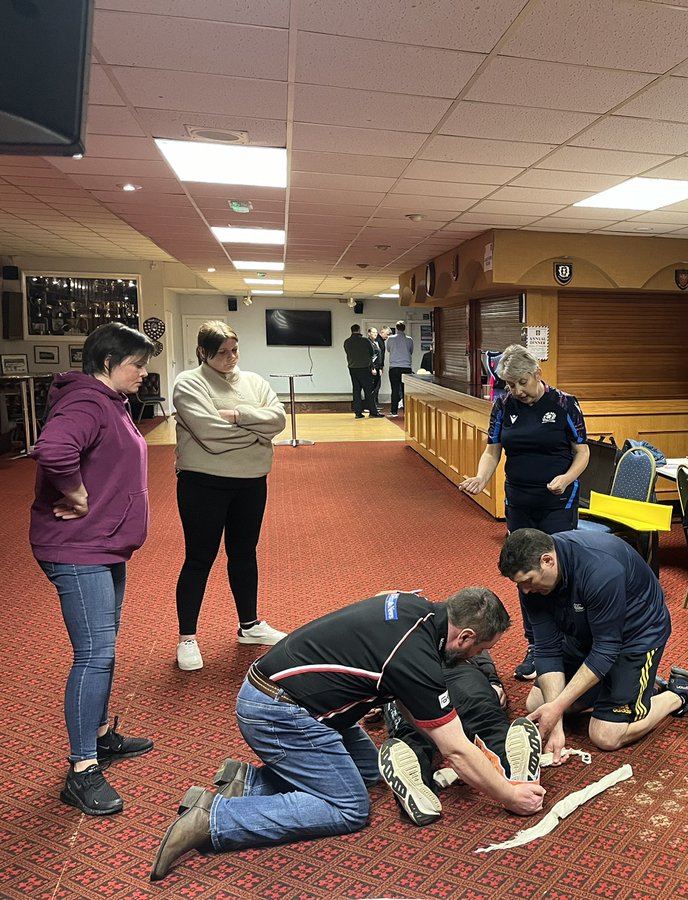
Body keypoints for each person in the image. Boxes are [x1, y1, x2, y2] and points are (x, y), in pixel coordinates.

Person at [149, 588, 544, 881]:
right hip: (278, 712)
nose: (476, 658)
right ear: (466, 637)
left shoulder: (416, 607)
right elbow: (454, 749)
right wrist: (508, 794)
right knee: (349, 808)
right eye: (480, 650)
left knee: (370, 772)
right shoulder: (417, 657)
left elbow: (414, 703)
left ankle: (246, 782)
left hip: (287, 695)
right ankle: (215, 819)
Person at [30, 322, 157, 815]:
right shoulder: (86, 401)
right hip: (76, 548)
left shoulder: (111, 401)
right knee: (94, 655)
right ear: (107, 363)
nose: (144, 373)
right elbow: (53, 449)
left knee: (103, 647)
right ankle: (82, 769)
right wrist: (76, 493)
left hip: (103, 545)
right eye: (137, 364)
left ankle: (101, 736)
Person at [498, 528, 688, 758]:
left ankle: (679, 693)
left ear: (547, 560)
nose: (524, 590)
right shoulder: (531, 587)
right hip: (587, 632)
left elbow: (606, 650)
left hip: (636, 636)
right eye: (519, 584)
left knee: (606, 736)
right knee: (537, 704)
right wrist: (555, 724)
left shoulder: (600, 571)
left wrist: (557, 707)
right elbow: (547, 649)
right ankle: (637, 684)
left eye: (528, 581)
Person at [460, 345, 590, 682]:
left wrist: (566, 478)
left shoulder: (564, 403)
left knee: (557, 572)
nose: (517, 391)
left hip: (558, 502)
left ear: (537, 374)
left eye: (522, 382)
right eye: (510, 384)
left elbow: (582, 452)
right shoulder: (504, 405)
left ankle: (568, 642)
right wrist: (481, 478)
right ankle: (537, 644)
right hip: (519, 502)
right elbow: (492, 451)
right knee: (526, 575)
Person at [172, 321, 289, 672]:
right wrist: (257, 435)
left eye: (234, 350)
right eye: (222, 352)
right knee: (199, 558)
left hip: (251, 482)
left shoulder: (254, 382)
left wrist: (238, 416)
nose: (231, 357)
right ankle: (187, 637)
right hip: (203, 483)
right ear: (203, 352)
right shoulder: (189, 383)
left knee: (244, 554)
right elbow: (209, 433)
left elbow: (278, 420)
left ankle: (249, 625)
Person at [378, 650, 542, 826]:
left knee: (411, 733)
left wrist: (373, 701)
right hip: (458, 668)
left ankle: (420, 793)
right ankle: (512, 770)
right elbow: (480, 651)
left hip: (402, 680)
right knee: (485, 718)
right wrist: (494, 681)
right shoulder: (458, 636)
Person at [343, 323, 382, 418]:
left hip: (352, 368)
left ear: (351, 330)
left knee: (356, 390)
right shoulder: (365, 341)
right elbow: (372, 352)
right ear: (359, 330)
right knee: (369, 390)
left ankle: (358, 412)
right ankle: (373, 412)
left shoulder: (347, 342)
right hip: (364, 368)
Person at [386, 322, 414, 416]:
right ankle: (407, 411)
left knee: (394, 389)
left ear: (396, 328)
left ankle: (394, 411)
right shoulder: (409, 339)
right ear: (404, 328)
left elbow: (388, 349)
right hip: (406, 367)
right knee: (406, 390)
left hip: (394, 367)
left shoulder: (390, 339)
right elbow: (411, 351)